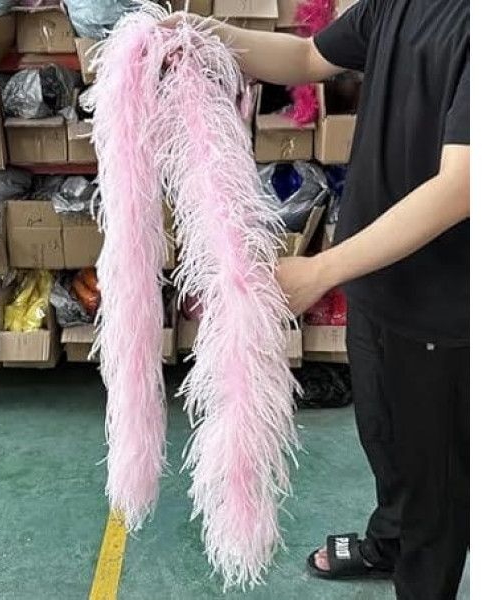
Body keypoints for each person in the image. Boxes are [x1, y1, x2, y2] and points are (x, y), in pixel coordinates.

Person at [163, 2, 469, 599]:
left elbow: (461, 186)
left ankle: (422, 582)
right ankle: (389, 542)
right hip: (375, 278)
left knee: (436, 478)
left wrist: (319, 271)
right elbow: (306, 57)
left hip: (441, 304)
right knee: (384, 437)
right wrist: (205, 35)